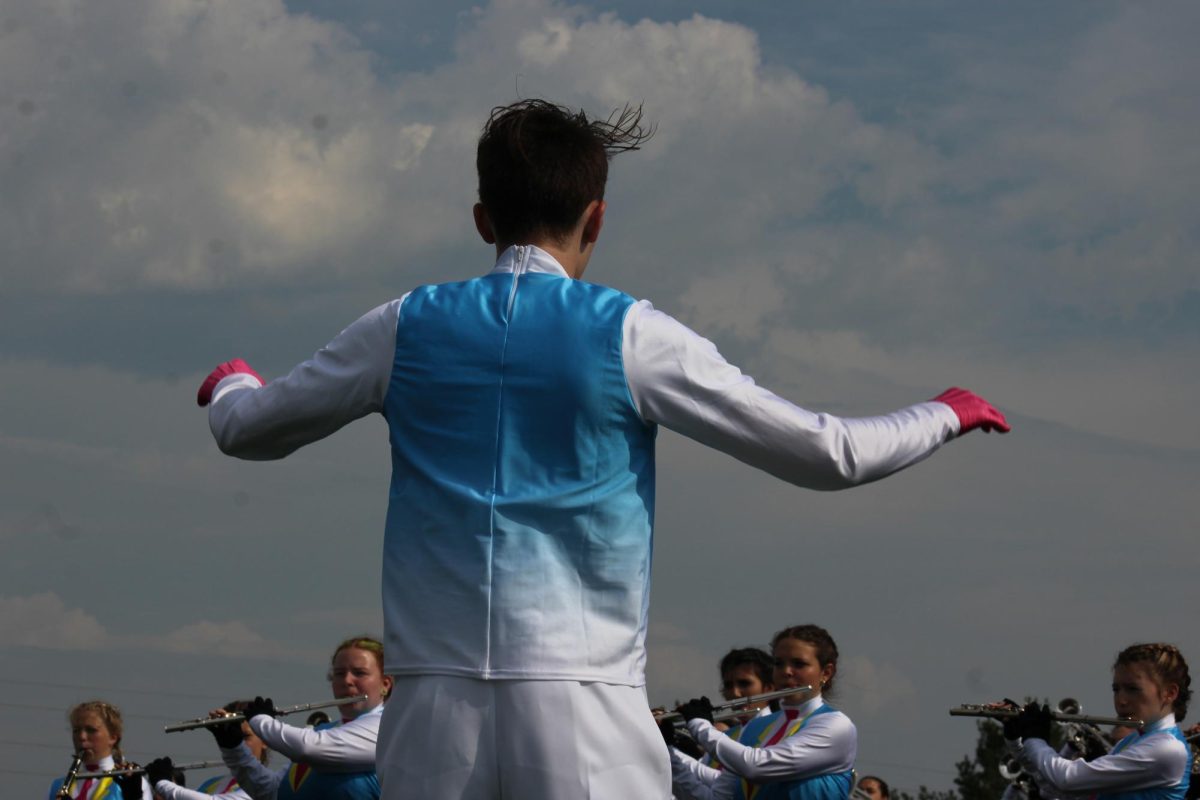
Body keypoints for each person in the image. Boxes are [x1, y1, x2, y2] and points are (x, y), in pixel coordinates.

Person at [196, 98, 1010, 799]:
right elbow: (827, 454)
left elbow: (246, 430)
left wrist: (231, 380)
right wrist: (944, 412)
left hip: (432, 709)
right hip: (584, 700)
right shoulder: (631, 332)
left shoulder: (402, 325)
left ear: (482, 219)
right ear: (597, 217)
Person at [666, 624, 856, 800]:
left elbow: (756, 767)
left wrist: (699, 724)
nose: (786, 671)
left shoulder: (836, 726)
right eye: (779, 663)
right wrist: (665, 750)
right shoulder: (756, 727)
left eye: (799, 664)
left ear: (826, 672)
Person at [1005, 643, 1192, 800]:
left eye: (1133, 689)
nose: (1121, 700)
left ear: (1169, 693)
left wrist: (1035, 739)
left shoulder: (1167, 749)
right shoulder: (1134, 740)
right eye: (1116, 689)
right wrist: (1018, 741)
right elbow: (1054, 789)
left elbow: (1067, 780)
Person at [211, 637, 390, 800]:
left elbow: (307, 748)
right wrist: (233, 748)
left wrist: (260, 720)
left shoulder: (388, 729)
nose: (347, 681)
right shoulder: (321, 732)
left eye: (359, 673)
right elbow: (270, 792)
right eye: (339, 673)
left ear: (385, 684)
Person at [144, 700, 271, 800]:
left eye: (245, 737)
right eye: (230, 737)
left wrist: (163, 784)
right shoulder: (211, 784)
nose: (238, 745)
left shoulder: (267, 785)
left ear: (265, 740)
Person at [48, 700, 149, 800]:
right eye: (76, 730)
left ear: (113, 737)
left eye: (91, 730)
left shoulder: (132, 782)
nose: (82, 737)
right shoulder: (57, 786)